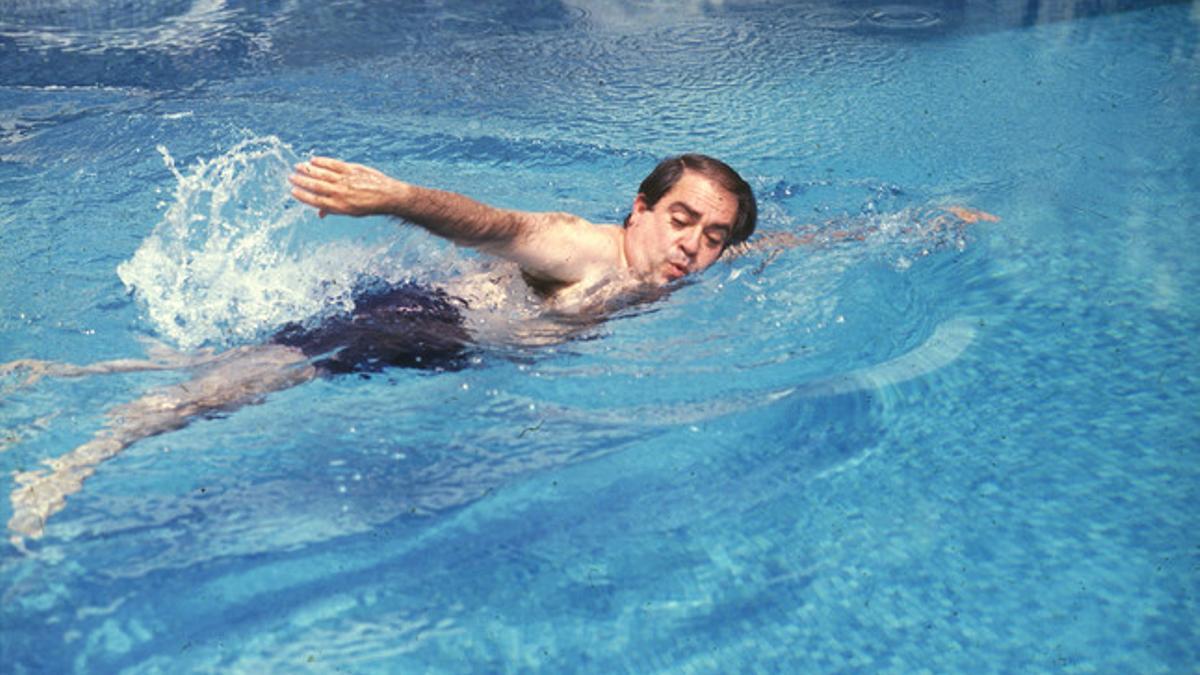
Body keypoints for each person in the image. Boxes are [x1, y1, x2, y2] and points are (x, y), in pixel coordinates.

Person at [1, 154, 995, 544]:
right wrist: (398, 198)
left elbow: (780, 247)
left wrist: (910, 224)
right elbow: (494, 223)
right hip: (417, 326)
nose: (694, 248)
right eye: (680, 221)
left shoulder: (689, 265)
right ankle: (75, 460)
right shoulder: (585, 249)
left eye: (711, 235)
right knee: (232, 391)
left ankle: (53, 371)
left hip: (435, 334)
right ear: (638, 208)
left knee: (224, 370)